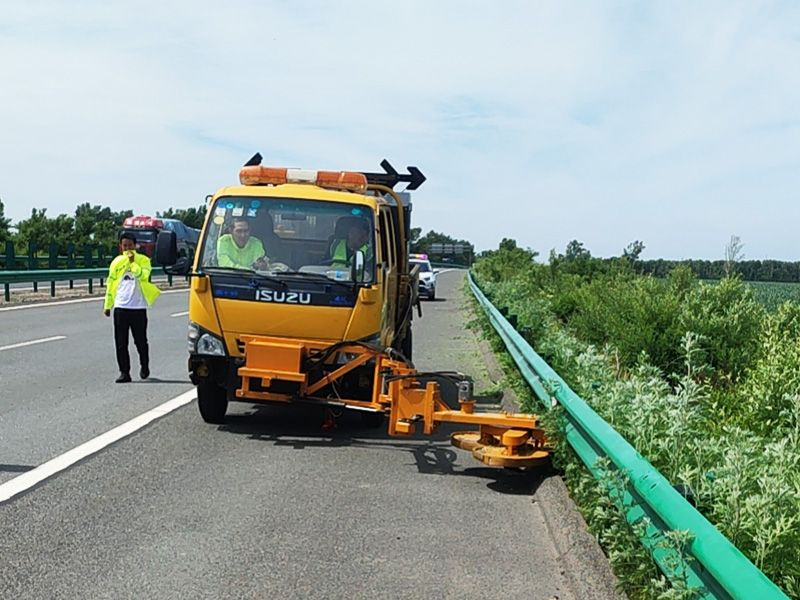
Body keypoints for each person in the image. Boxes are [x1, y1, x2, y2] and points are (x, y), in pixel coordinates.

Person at [103, 232, 161, 383]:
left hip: (138, 307)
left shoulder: (143, 260)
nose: (127, 248)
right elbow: (111, 284)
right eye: (125, 246)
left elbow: (143, 275)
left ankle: (144, 366)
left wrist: (133, 263)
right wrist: (108, 305)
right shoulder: (116, 262)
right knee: (121, 343)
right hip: (121, 307)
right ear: (120, 247)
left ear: (135, 246)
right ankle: (124, 372)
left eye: (130, 245)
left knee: (140, 341)